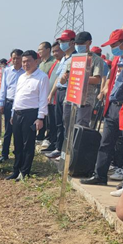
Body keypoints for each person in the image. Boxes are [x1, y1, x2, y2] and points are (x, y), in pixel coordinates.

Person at [81, 29, 123, 186]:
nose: (112, 48)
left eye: (115, 45)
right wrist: (104, 91)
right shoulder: (116, 59)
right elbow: (110, 79)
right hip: (112, 106)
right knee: (105, 142)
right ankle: (100, 175)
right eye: (111, 46)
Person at [6, 50, 50, 180]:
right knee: (17, 144)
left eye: (28, 61)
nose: (26, 64)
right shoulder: (22, 77)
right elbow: (17, 96)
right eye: (24, 62)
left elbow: (43, 99)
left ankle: (25, 171)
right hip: (17, 113)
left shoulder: (42, 77)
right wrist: (13, 113)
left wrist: (40, 118)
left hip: (30, 114)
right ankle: (16, 170)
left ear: (36, 61)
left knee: (28, 144)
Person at [45, 30, 76, 159]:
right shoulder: (63, 59)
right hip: (60, 92)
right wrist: (51, 93)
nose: (62, 43)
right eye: (61, 41)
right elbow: (58, 78)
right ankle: (59, 148)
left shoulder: (76, 58)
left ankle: (67, 150)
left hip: (69, 92)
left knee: (66, 122)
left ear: (72, 42)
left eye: (64, 41)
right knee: (58, 121)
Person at [0, 49, 25, 163]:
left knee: (19, 131)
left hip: (21, 104)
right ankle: (4, 154)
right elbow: (3, 88)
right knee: (8, 130)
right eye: (14, 58)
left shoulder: (26, 71)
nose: (16, 60)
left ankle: (18, 152)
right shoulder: (7, 71)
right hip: (9, 102)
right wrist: (1, 103)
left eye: (18, 58)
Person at [40, 42, 65, 152]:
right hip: (51, 97)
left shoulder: (63, 63)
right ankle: (52, 141)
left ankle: (57, 145)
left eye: (57, 51)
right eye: (54, 51)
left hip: (57, 96)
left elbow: (58, 81)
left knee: (58, 123)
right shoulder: (57, 63)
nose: (55, 53)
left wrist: (51, 93)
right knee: (52, 122)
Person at [35, 42, 54, 141]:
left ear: (48, 50)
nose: (39, 51)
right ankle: (40, 134)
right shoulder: (41, 64)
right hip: (40, 94)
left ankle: (49, 136)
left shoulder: (54, 62)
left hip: (50, 94)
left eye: (40, 49)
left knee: (50, 117)